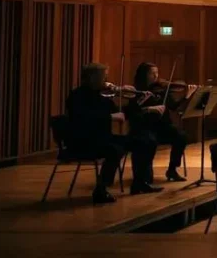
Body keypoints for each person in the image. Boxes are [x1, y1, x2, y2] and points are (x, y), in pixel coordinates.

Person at [65, 63, 153, 203]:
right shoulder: (77, 96)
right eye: (104, 77)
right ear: (92, 77)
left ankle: (139, 182)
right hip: (83, 140)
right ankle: (101, 190)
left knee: (145, 141)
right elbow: (82, 118)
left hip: (104, 138)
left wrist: (137, 101)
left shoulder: (102, 95)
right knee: (115, 149)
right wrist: (109, 117)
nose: (107, 80)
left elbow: (121, 114)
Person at [124, 62, 189, 188]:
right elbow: (131, 113)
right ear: (143, 75)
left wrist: (186, 96)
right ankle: (144, 177)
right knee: (149, 141)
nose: (156, 76)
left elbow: (173, 106)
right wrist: (148, 109)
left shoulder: (162, 90)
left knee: (181, 136)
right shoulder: (136, 92)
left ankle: (172, 170)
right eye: (152, 73)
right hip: (144, 128)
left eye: (157, 73)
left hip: (161, 128)